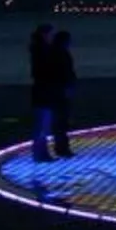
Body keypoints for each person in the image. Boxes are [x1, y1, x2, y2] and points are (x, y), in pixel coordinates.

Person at [28, 24, 57, 163]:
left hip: (42, 90)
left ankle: (41, 152)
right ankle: (40, 153)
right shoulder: (41, 50)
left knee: (43, 123)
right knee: (42, 123)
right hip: (43, 91)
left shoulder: (38, 49)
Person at [49, 30, 77, 159]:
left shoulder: (54, 53)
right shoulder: (61, 54)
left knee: (60, 120)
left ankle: (61, 147)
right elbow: (66, 72)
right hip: (60, 91)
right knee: (61, 120)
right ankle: (62, 148)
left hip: (56, 90)